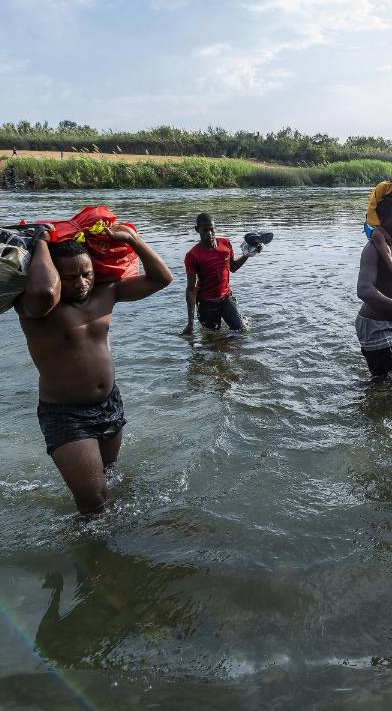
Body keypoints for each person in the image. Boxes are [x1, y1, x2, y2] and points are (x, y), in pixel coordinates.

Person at [14, 228, 173, 515]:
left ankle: (115, 541)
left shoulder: (106, 293)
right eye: (71, 277)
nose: (82, 283)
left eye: (87, 273)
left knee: (109, 475)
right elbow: (45, 290)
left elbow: (162, 278)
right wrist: (41, 243)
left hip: (109, 402)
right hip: (66, 414)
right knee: (93, 504)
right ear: (53, 273)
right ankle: (95, 556)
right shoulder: (35, 307)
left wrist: (133, 241)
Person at [355, 198, 392, 377]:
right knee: (383, 383)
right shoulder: (373, 249)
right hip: (377, 326)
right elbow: (364, 289)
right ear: (381, 222)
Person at [181, 213, 257, 335]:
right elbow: (190, 289)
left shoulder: (225, 243)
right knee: (212, 339)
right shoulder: (192, 255)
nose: (210, 234)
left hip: (226, 298)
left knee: (241, 331)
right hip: (206, 304)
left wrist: (248, 254)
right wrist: (190, 323)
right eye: (205, 230)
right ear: (197, 230)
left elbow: (233, 268)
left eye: (212, 229)